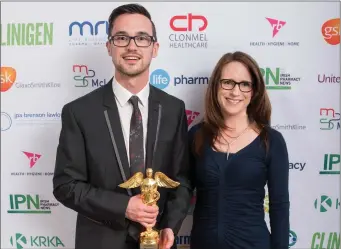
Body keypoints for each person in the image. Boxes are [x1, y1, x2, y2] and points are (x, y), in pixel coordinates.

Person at [53, 4, 192, 249]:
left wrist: (171, 224)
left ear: (154, 48)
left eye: (142, 38)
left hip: (157, 241)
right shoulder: (79, 112)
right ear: (109, 46)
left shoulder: (174, 109)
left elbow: (180, 178)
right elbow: (66, 186)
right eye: (121, 38)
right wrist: (125, 207)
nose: (132, 46)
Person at [188, 51, 290, 249]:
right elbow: (181, 190)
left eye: (244, 84)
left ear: (254, 91)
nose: (235, 92)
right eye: (228, 82)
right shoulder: (196, 136)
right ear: (216, 86)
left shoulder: (272, 141)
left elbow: (279, 207)